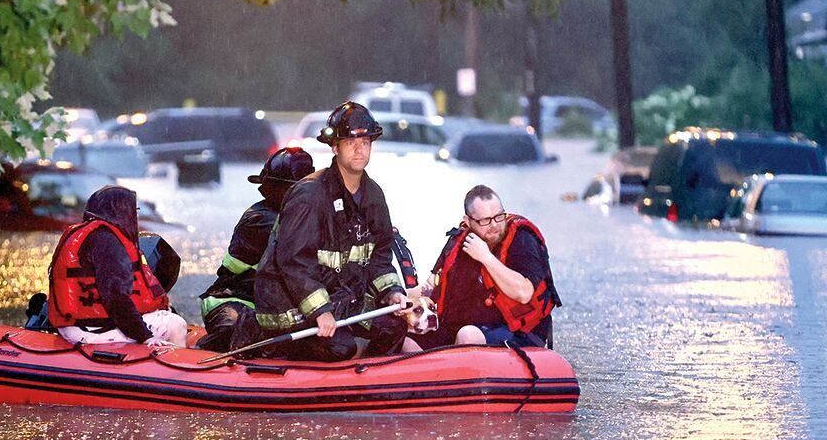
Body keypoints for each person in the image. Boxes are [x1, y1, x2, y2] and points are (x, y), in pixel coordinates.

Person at [251, 101, 409, 362]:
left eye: (366, 142)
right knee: (339, 347)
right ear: (335, 147)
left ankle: (367, 384)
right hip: (290, 307)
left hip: (340, 300)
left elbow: (379, 256)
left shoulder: (374, 196)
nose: (359, 149)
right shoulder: (309, 194)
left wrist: (392, 292)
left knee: (392, 328)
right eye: (350, 142)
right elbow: (293, 262)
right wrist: (320, 310)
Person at [408, 184, 562, 349]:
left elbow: (523, 293)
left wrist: (485, 257)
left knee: (468, 335)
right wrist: (397, 295)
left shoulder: (523, 240)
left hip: (515, 331)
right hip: (460, 326)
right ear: (468, 221)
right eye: (485, 221)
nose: (495, 225)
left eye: (498, 216)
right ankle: (428, 373)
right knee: (402, 337)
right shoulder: (458, 241)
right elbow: (431, 285)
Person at [195, 147, 315, 352]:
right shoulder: (260, 220)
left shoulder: (304, 216)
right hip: (235, 300)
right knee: (235, 333)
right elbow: (299, 240)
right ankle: (197, 360)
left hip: (276, 309)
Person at [47, 185, 188, 347]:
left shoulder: (89, 234)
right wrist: (145, 336)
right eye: (133, 210)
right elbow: (115, 298)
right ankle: (169, 368)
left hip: (74, 326)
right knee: (176, 324)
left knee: (160, 314)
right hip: (92, 329)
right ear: (120, 211)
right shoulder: (108, 242)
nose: (135, 215)